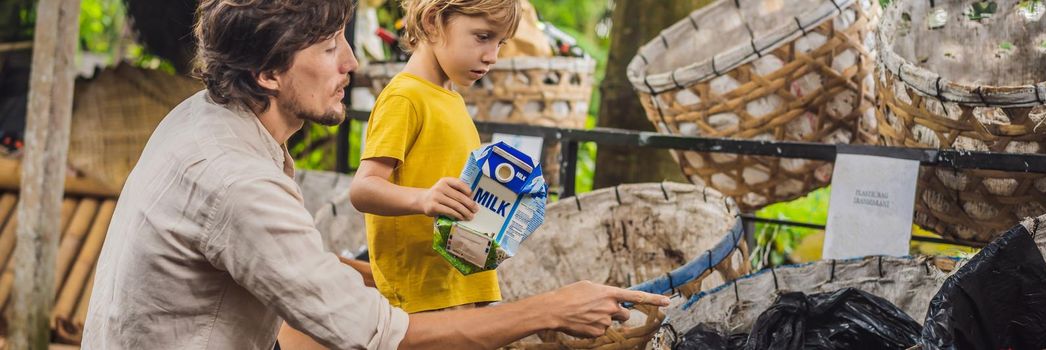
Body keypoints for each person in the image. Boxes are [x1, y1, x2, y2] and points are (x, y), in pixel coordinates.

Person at [81, 0, 669, 349]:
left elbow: (282, 262)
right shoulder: (237, 182)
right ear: (267, 72)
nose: (352, 63)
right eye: (329, 47)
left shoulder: (204, 119)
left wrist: (396, 276)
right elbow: (379, 336)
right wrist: (549, 310)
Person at [349, 0, 518, 313]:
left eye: (500, 43)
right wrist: (423, 199)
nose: (492, 56)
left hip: (462, 284)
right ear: (431, 22)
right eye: (482, 37)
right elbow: (363, 189)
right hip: (422, 294)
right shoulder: (405, 97)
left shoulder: (451, 99)